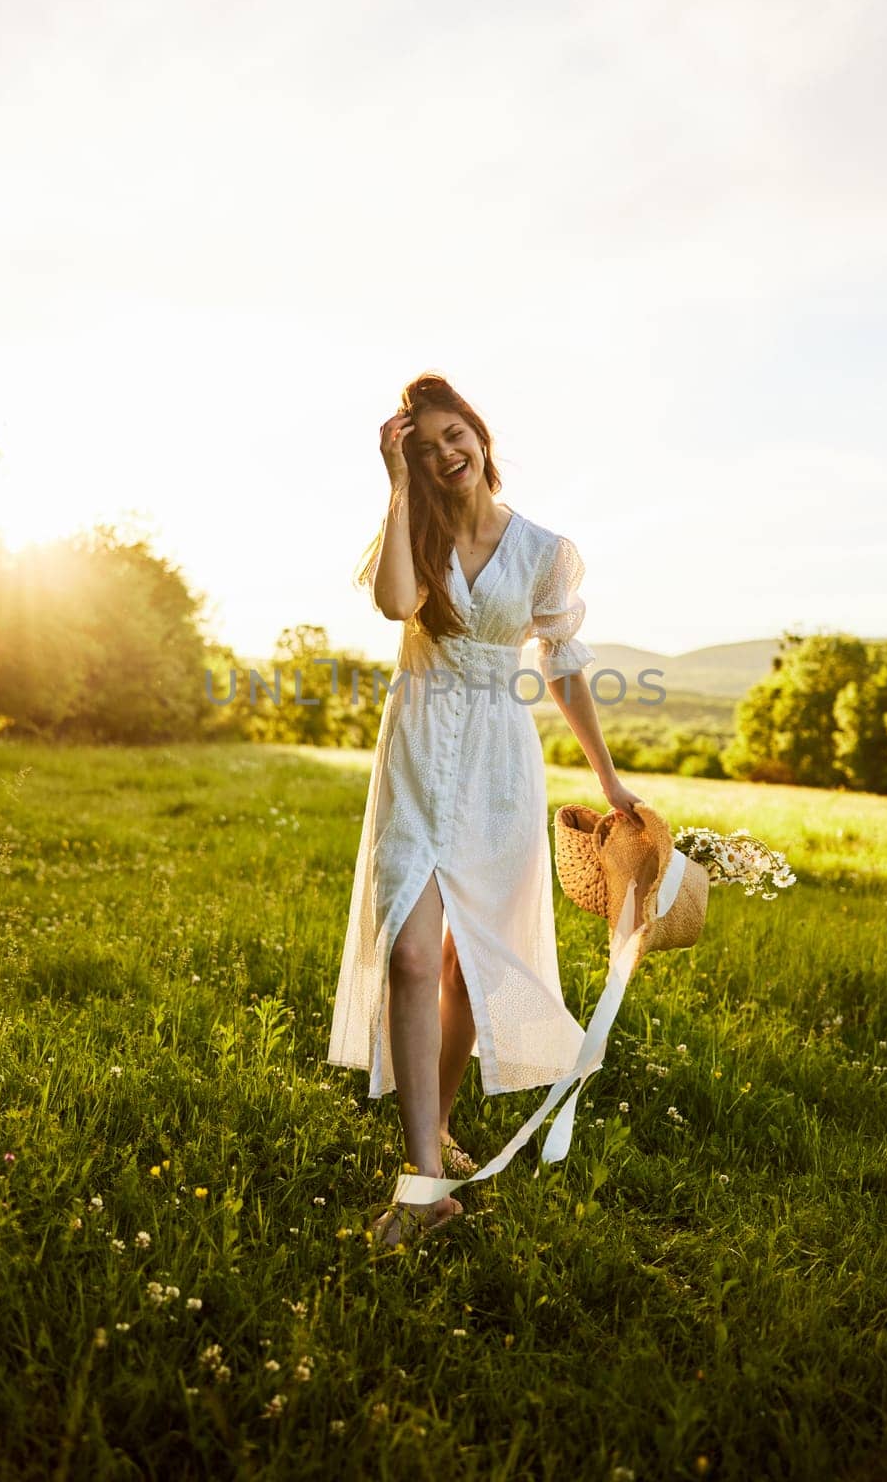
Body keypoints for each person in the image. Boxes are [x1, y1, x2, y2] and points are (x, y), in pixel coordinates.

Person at [326, 372, 643, 1248]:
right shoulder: (410, 531)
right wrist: (395, 488)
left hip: (501, 761)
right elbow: (395, 604)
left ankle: (437, 1130)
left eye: (452, 433)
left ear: (479, 432)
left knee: (469, 964)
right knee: (414, 953)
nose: (445, 453)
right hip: (422, 749)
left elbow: (563, 665)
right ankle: (421, 1184)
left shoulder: (543, 549)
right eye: (423, 447)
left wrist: (608, 779)